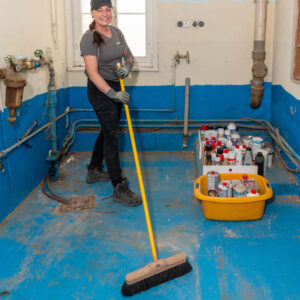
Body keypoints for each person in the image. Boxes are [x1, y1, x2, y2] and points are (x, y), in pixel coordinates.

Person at [80, 0, 142, 206]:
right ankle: (119, 186)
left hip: (116, 85)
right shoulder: (89, 38)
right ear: (92, 13)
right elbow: (92, 72)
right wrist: (111, 94)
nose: (105, 14)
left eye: (108, 10)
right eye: (100, 10)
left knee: (108, 130)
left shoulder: (116, 32)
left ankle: (94, 170)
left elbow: (129, 56)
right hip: (100, 90)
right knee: (112, 135)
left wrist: (129, 68)